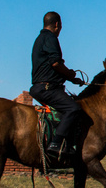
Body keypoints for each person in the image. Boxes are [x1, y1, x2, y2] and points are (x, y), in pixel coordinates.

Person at [30, 11, 85, 158]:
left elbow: (52, 66)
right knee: (73, 109)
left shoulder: (39, 39)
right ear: (57, 25)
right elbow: (55, 63)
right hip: (47, 88)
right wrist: (69, 74)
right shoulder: (50, 38)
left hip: (39, 86)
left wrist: (72, 78)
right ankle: (57, 143)